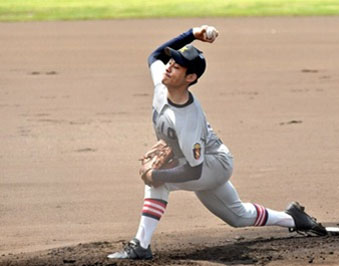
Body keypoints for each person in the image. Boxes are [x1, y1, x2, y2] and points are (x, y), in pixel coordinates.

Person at [108, 25, 326, 260]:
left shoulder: (187, 118)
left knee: (158, 181)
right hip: (200, 162)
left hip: (213, 164)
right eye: (171, 63)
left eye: (177, 66)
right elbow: (155, 56)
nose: (169, 66)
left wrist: (155, 176)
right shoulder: (162, 85)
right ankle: (295, 218)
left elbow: (194, 170)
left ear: (190, 78)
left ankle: (141, 245)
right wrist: (193, 34)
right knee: (237, 217)